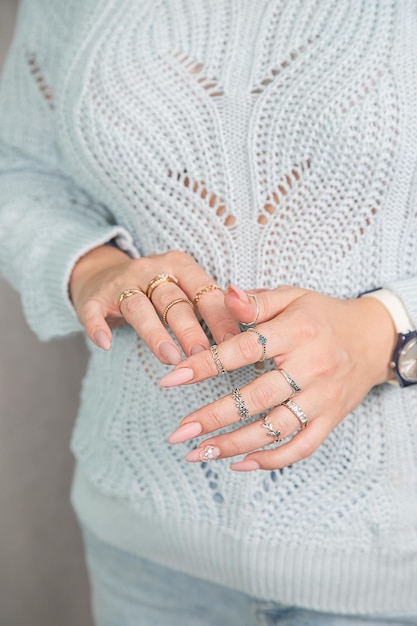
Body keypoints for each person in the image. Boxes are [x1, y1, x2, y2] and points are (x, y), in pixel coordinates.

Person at [1, 0, 416, 624]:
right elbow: (18, 167)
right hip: (143, 549)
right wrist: (93, 268)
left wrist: (385, 330)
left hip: (391, 565)